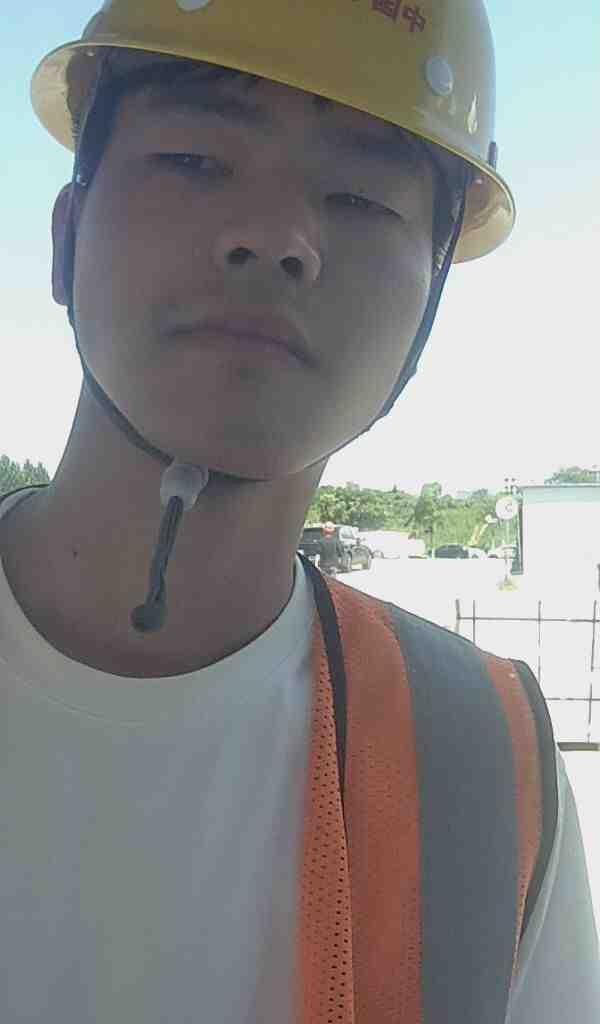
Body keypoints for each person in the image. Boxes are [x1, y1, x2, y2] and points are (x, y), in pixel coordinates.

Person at [0, 2, 598, 1021]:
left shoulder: (484, 770)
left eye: (359, 197)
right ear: (65, 238)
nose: (277, 239)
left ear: (427, 317)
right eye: (194, 159)